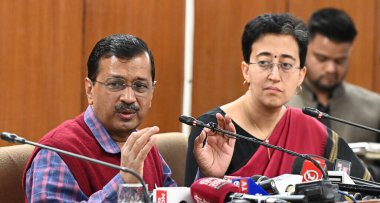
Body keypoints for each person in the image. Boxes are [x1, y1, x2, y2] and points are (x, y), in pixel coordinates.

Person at [185, 13, 372, 187]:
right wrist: (212, 179)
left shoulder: (313, 131)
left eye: (286, 65)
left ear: (301, 75)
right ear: (246, 70)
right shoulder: (214, 128)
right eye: (264, 62)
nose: (274, 75)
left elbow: (366, 191)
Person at [22, 34, 176, 202]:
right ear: (90, 90)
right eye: (116, 84)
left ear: (152, 92)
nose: (129, 97)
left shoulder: (142, 146)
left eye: (140, 86)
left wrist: (207, 177)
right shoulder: (57, 152)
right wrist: (123, 182)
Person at [287, 8, 380, 144]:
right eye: (321, 58)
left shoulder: (375, 109)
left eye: (339, 61)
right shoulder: (278, 103)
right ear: (305, 50)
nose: (331, 69)